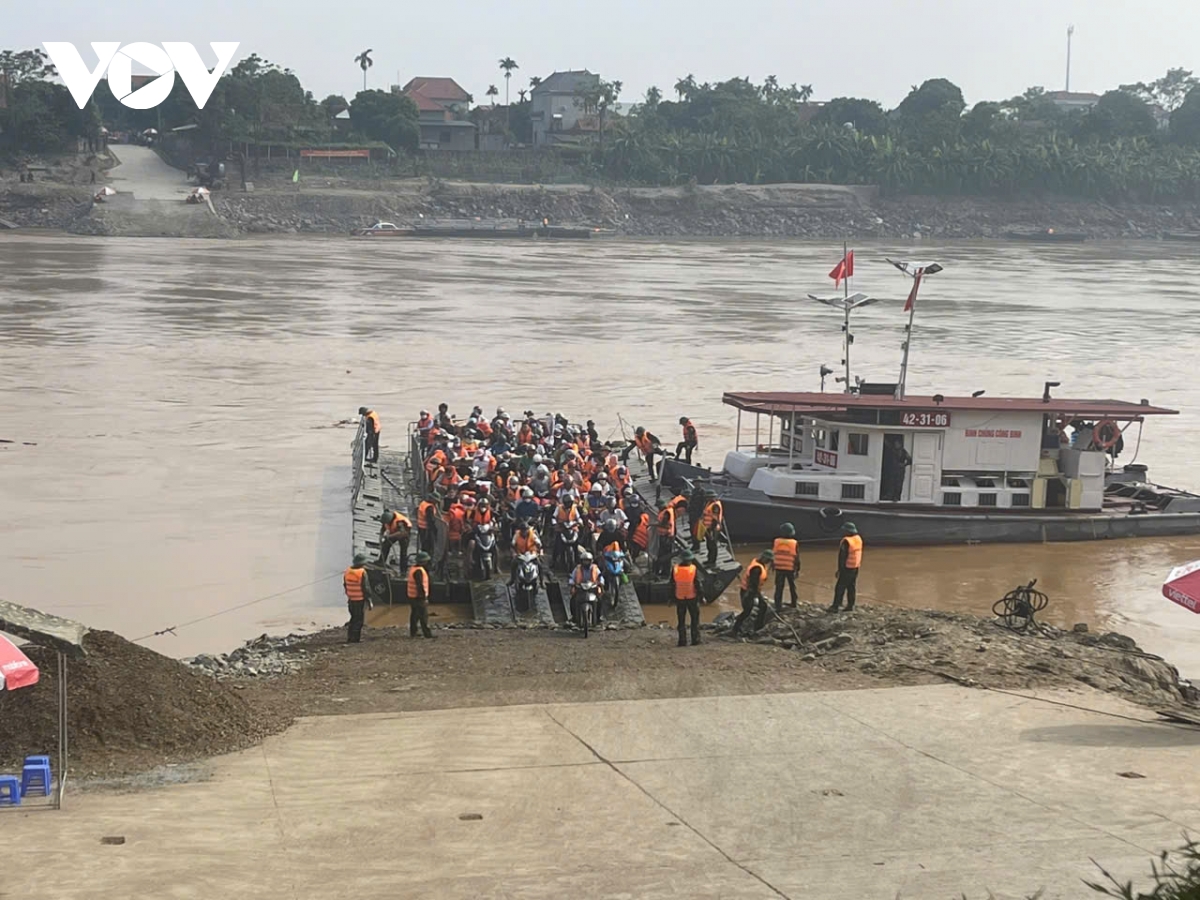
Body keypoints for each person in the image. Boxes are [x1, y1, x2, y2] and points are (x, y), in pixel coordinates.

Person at [732, 550, 773, 637]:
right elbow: (753, 584)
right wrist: (757, 596)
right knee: (747, 611)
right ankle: (736, 630)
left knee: (761, 607)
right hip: (748, 592)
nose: (769, 562)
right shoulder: (757, 569)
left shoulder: (758, 564)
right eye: (769, 560)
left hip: (749, 590)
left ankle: (756, 627)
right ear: (765, 558)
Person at [829, 523, 863, 613]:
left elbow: (842, 557)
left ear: (848, 531)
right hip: (855, 567)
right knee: (851, 587)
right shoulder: (858, 539)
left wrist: (840, 570)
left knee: (840, 587)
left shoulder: (846, 541)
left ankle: (835, 606)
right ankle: (850, 605)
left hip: (847, 568)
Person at [671, 551, 702, 647]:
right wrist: (702, 596)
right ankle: (695, 640)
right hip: (692, 597)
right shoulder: (693, 569)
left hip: (679, 598)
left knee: (681, 620)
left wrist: (671, 598)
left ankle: (682, 641)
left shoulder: (675, 569)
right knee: (695, 619)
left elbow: (672, 585)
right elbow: (698, 584)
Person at [343, 553, 372, 643]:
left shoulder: (347, 571)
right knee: (359, 620)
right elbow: (366, 588)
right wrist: (369, 600)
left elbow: (345, 585)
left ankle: (350, 637)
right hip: (360, 600)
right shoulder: (362, 572)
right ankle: (356, 639)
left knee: (353, 618)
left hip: (351, 600)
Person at [569, 550, 602, 625]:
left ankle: (599, 616)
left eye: (587, 561)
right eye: (584, 561)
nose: (586, 563)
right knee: (573, 600)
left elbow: (600, 576)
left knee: (599, 600)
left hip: (592, 588)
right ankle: (574, 616)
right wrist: (571, 583)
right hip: (580, 588)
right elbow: (572, 577)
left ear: (591, 561)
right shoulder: (577, 569)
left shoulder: (595, 568)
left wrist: (601, 582)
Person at [772, 523, 800, 611]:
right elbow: (797, 558)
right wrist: (797, 569)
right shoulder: (794, 543)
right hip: (790, 568)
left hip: (779, 568)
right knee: (792, 586)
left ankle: (778, 605)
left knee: (779, 587)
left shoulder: (776, 541)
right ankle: (794, 603)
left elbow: (774, 554)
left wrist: (773, 566)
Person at [407, 552, 435, 638]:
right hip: (418, 597)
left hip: (412, 596)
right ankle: (427, 634)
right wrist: (424, 598)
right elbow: (420, 586)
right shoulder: (419, 571)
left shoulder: (413, 569)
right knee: (423, 615)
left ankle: (413, 632)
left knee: (414, 615)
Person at [699, 490, 724, 568]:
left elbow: (715, 519)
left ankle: (712, 561)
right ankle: (709, 559)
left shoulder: (715, 506)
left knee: (712, 545)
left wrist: (712, 531)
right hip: (708, 527)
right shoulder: (709, 503)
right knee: (709, 544)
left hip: (713, 528)